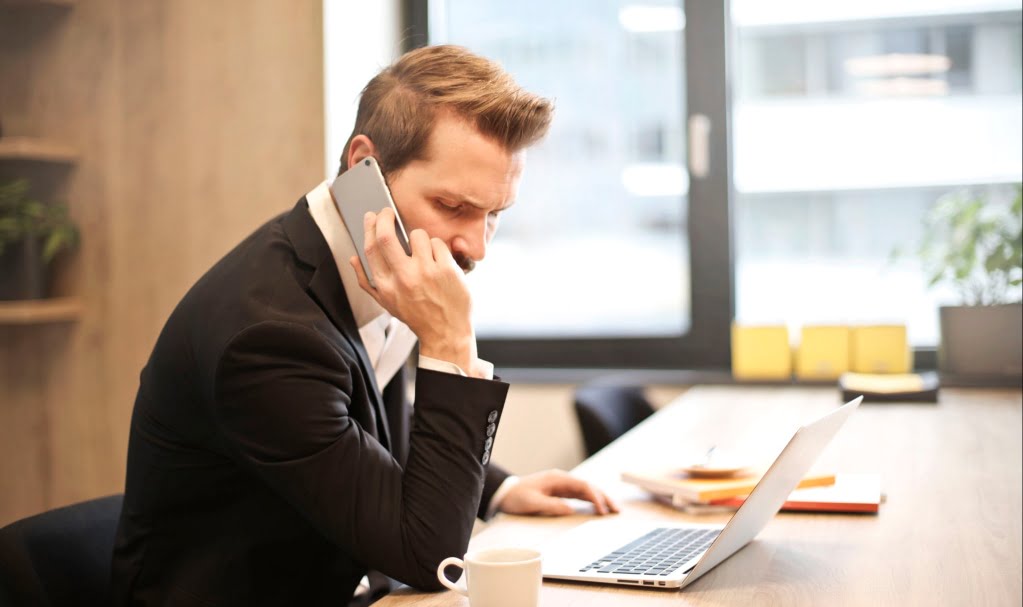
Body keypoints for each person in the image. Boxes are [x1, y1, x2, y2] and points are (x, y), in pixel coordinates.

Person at [111, 44, 618, 606]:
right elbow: (431, 557)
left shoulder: (374, 264)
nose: (476, 247)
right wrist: (450, 342)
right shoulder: (268, 338)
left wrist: (499, 489)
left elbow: (365, 413)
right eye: (453, 206)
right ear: (363, 169)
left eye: (494, 214)